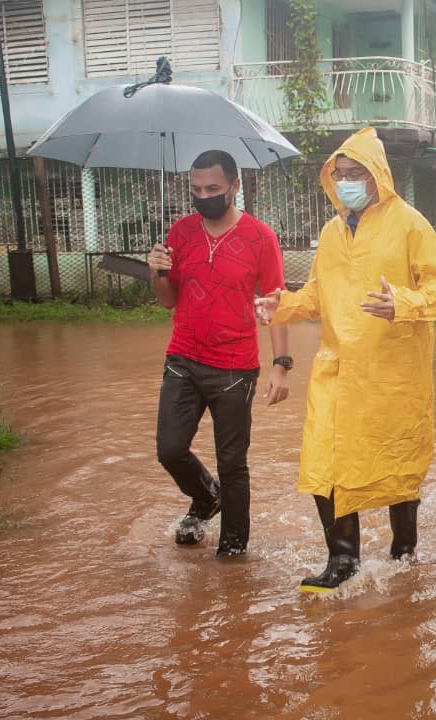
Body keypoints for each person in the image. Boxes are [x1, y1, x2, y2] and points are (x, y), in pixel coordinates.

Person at [254, 127, 436, 592]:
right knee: (323, 458)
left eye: (355, 173)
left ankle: (403, 552)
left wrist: (401, 305)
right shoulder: (331, 231)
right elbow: (316, 294)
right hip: (337, 368)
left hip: (393, 373)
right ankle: (343, 560)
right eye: (339, 174)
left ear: (378, 177)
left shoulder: (409, 223)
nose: (346, 182)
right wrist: (279, 306)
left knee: (395, 463)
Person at [146, 149, 291, 558]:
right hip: (183, 359)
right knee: (170, 449)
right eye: (195, 189)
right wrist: (155, 272)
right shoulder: (180, 232)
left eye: (212, 188)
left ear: (234, 187)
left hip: (234, 367)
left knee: (232, 463)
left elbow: (275, 304)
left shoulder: (260, 237)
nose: (203, 195)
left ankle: (232, 554)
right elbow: (166, 301)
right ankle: (206, 498)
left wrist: (281, 365)